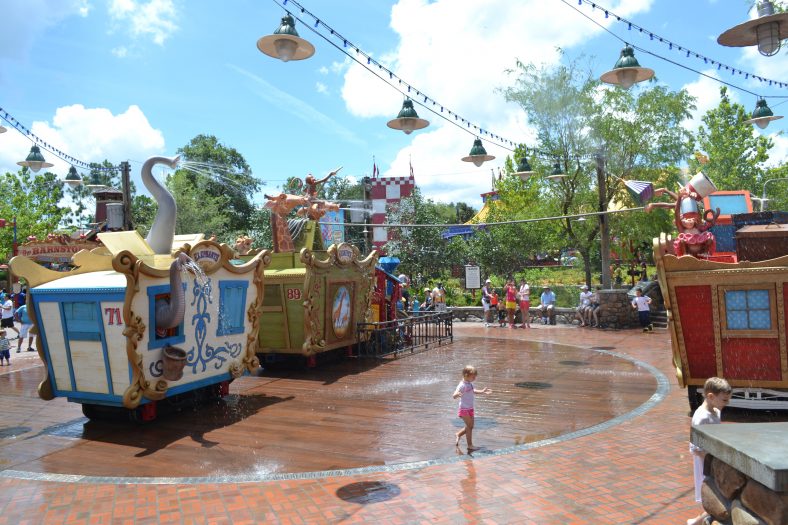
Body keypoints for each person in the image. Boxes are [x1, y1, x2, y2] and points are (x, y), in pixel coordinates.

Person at [687, 377, 731, 525]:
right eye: (724, 400)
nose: (727, 403)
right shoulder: (701, 418)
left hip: (714, 458)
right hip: (706, 462)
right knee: (713, 494)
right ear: (711, 397)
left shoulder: (715, 411)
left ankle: (697, 521)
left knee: (716, 493)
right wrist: (713, 461)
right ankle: (698, 521)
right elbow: (696, 447)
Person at [452, 365, 492, 451]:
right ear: (466, 375)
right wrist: (456, 395)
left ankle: (458, 434)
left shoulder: (469, 383)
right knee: (469, 426)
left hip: (470, 408)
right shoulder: (462, 385)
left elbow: (473, 391)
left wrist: (482, 391)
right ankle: (470, 445)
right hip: (463, 409)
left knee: (470, 426)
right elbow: (454, 395)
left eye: (475, 377)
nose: (474, 378)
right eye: (473, 377)